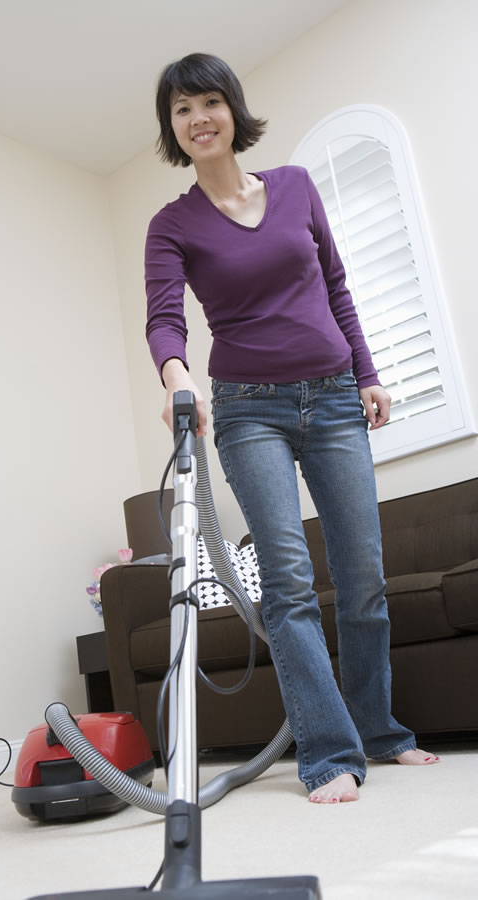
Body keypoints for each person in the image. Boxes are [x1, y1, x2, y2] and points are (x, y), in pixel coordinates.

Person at [144, 52, 439, 803]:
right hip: (248, 410)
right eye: (182, 109)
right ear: (172, 127)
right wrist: (178, 380)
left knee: (364, 577)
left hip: (335, 395)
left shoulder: (297, 188)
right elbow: (166, 320)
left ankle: (378, 730)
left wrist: (367, 373)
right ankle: (330, 753)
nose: (199, 117)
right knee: (289, 581)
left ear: (233, 110)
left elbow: (335, 284)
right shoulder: (171, 224)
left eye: (210, 101)